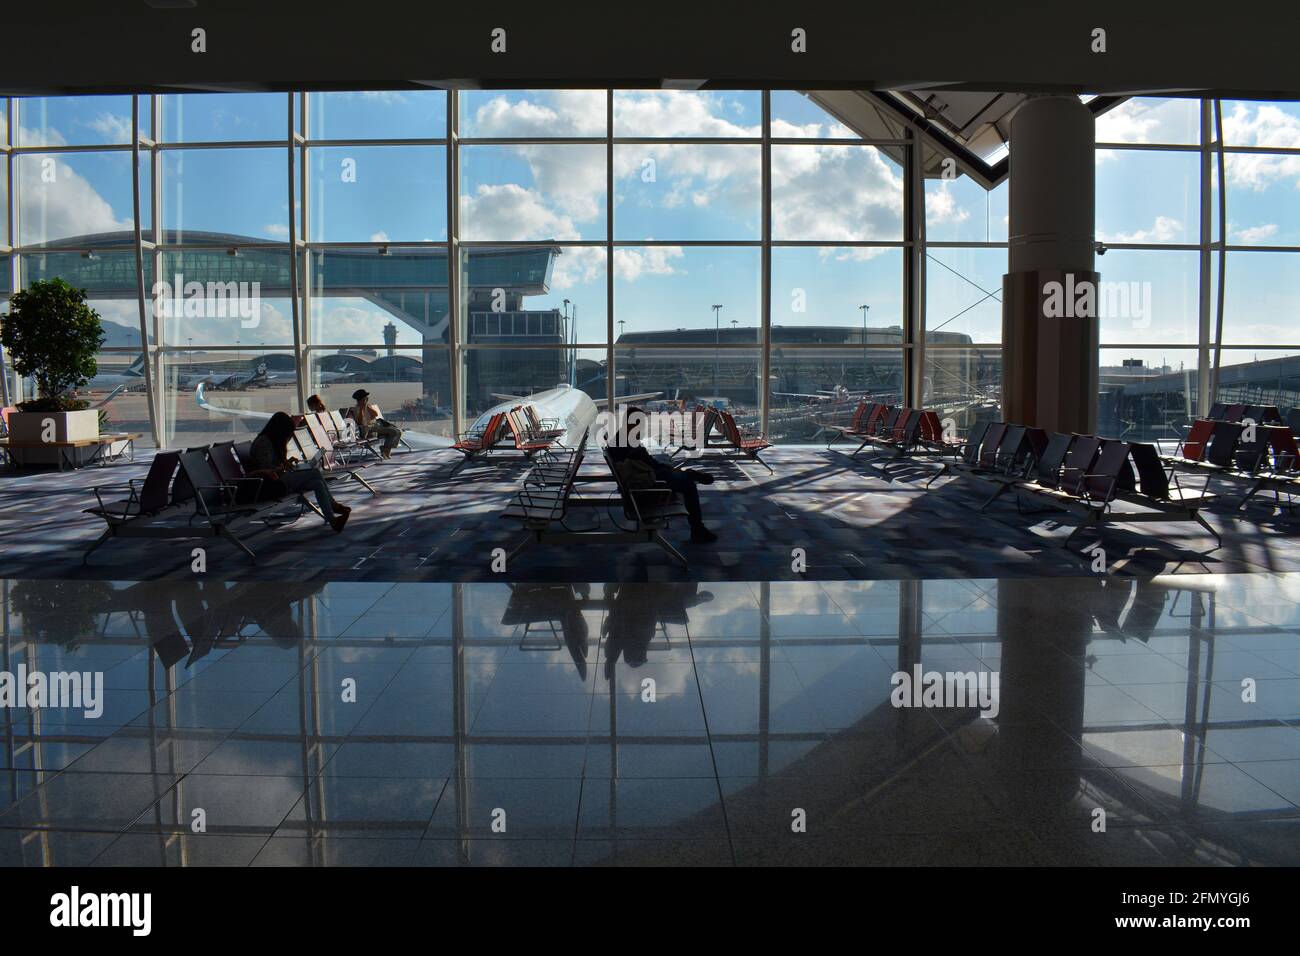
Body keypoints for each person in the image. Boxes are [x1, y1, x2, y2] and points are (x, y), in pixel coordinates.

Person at [606, 407, 717, 543]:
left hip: (643, 483)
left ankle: (688, 475)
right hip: (646, 489)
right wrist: (667, 468)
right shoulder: (628, 442)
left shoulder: (621, 438)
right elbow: (649, 464)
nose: (642, 427)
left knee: (672, 473)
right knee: (688, 486)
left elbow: (646, 463)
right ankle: (697, 529)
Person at [246, 411, 350, 533]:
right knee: (314, 472)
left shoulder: (271, 440)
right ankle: (334, 506)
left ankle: (332, 520)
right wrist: (283, 467)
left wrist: (285, 463)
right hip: (271, 483)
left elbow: (273, 466)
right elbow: (268, 471)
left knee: (318, 483)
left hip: (279, 479)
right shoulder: (263, 443)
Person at [350, 389, 403, 459]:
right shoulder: (356, 409)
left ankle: (386, 450)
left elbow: (375, 415)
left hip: (375, 426)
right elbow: (360, 422)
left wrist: (367, 407)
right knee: (393, 432)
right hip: (368, 429)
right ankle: (385, 450)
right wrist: (362, 409)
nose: (367, 399)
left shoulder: (368, 406)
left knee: (398, 431)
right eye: (365, 398)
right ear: (361, 399)